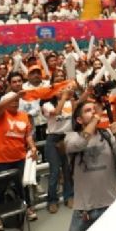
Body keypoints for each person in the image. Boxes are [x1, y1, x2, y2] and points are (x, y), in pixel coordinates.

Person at [65, 101, 116, 231]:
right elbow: (80, 144)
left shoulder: (106, 135)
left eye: (94, 109)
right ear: (79, 120)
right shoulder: (71, 138)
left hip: (110, 203)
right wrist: (95, 119)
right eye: (88, 111)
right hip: (84, 209)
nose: (93, 112)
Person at [0, 88, 39, 231]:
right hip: (0, 159)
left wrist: (33, 147)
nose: (15, 102)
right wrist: (16, 94)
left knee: (22, 186)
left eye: (17, 101)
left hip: (19, 157)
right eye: (12, 100)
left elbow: (27, 135)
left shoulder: (23, 116)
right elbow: (0, 107)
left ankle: (28, 208)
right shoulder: (0, 114)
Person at [42, 84, 77, 213]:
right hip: (53, 138)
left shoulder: (69, 102)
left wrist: (72, 98)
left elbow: (76, 114)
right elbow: (56, 112)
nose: (62, 91)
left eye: (64, 89)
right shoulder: (47, 105)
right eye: (59, 90)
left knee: (68, 169)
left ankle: (69, 196)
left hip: (67, 137)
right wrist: (63, 97)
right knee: (55, 171)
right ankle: (52, 200)